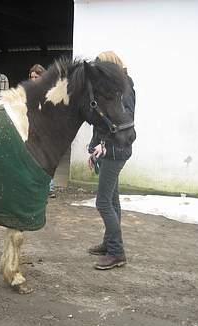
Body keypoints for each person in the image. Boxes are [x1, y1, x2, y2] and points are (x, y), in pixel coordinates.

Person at [87, 51, 136, 270]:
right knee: (112, 200)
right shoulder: (114, 86)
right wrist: (93, 147)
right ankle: (109, 244)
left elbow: (122, 121)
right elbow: (102, 118)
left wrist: (104, 145)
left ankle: (117, 253)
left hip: (116, 149)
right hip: (110, 149)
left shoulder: (124, 87)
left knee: (103, 202)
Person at [28, 64, 56, 198]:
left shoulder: (49, 91)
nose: (33, 79)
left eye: (36, 76)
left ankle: (49, 187)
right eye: (32, 77)